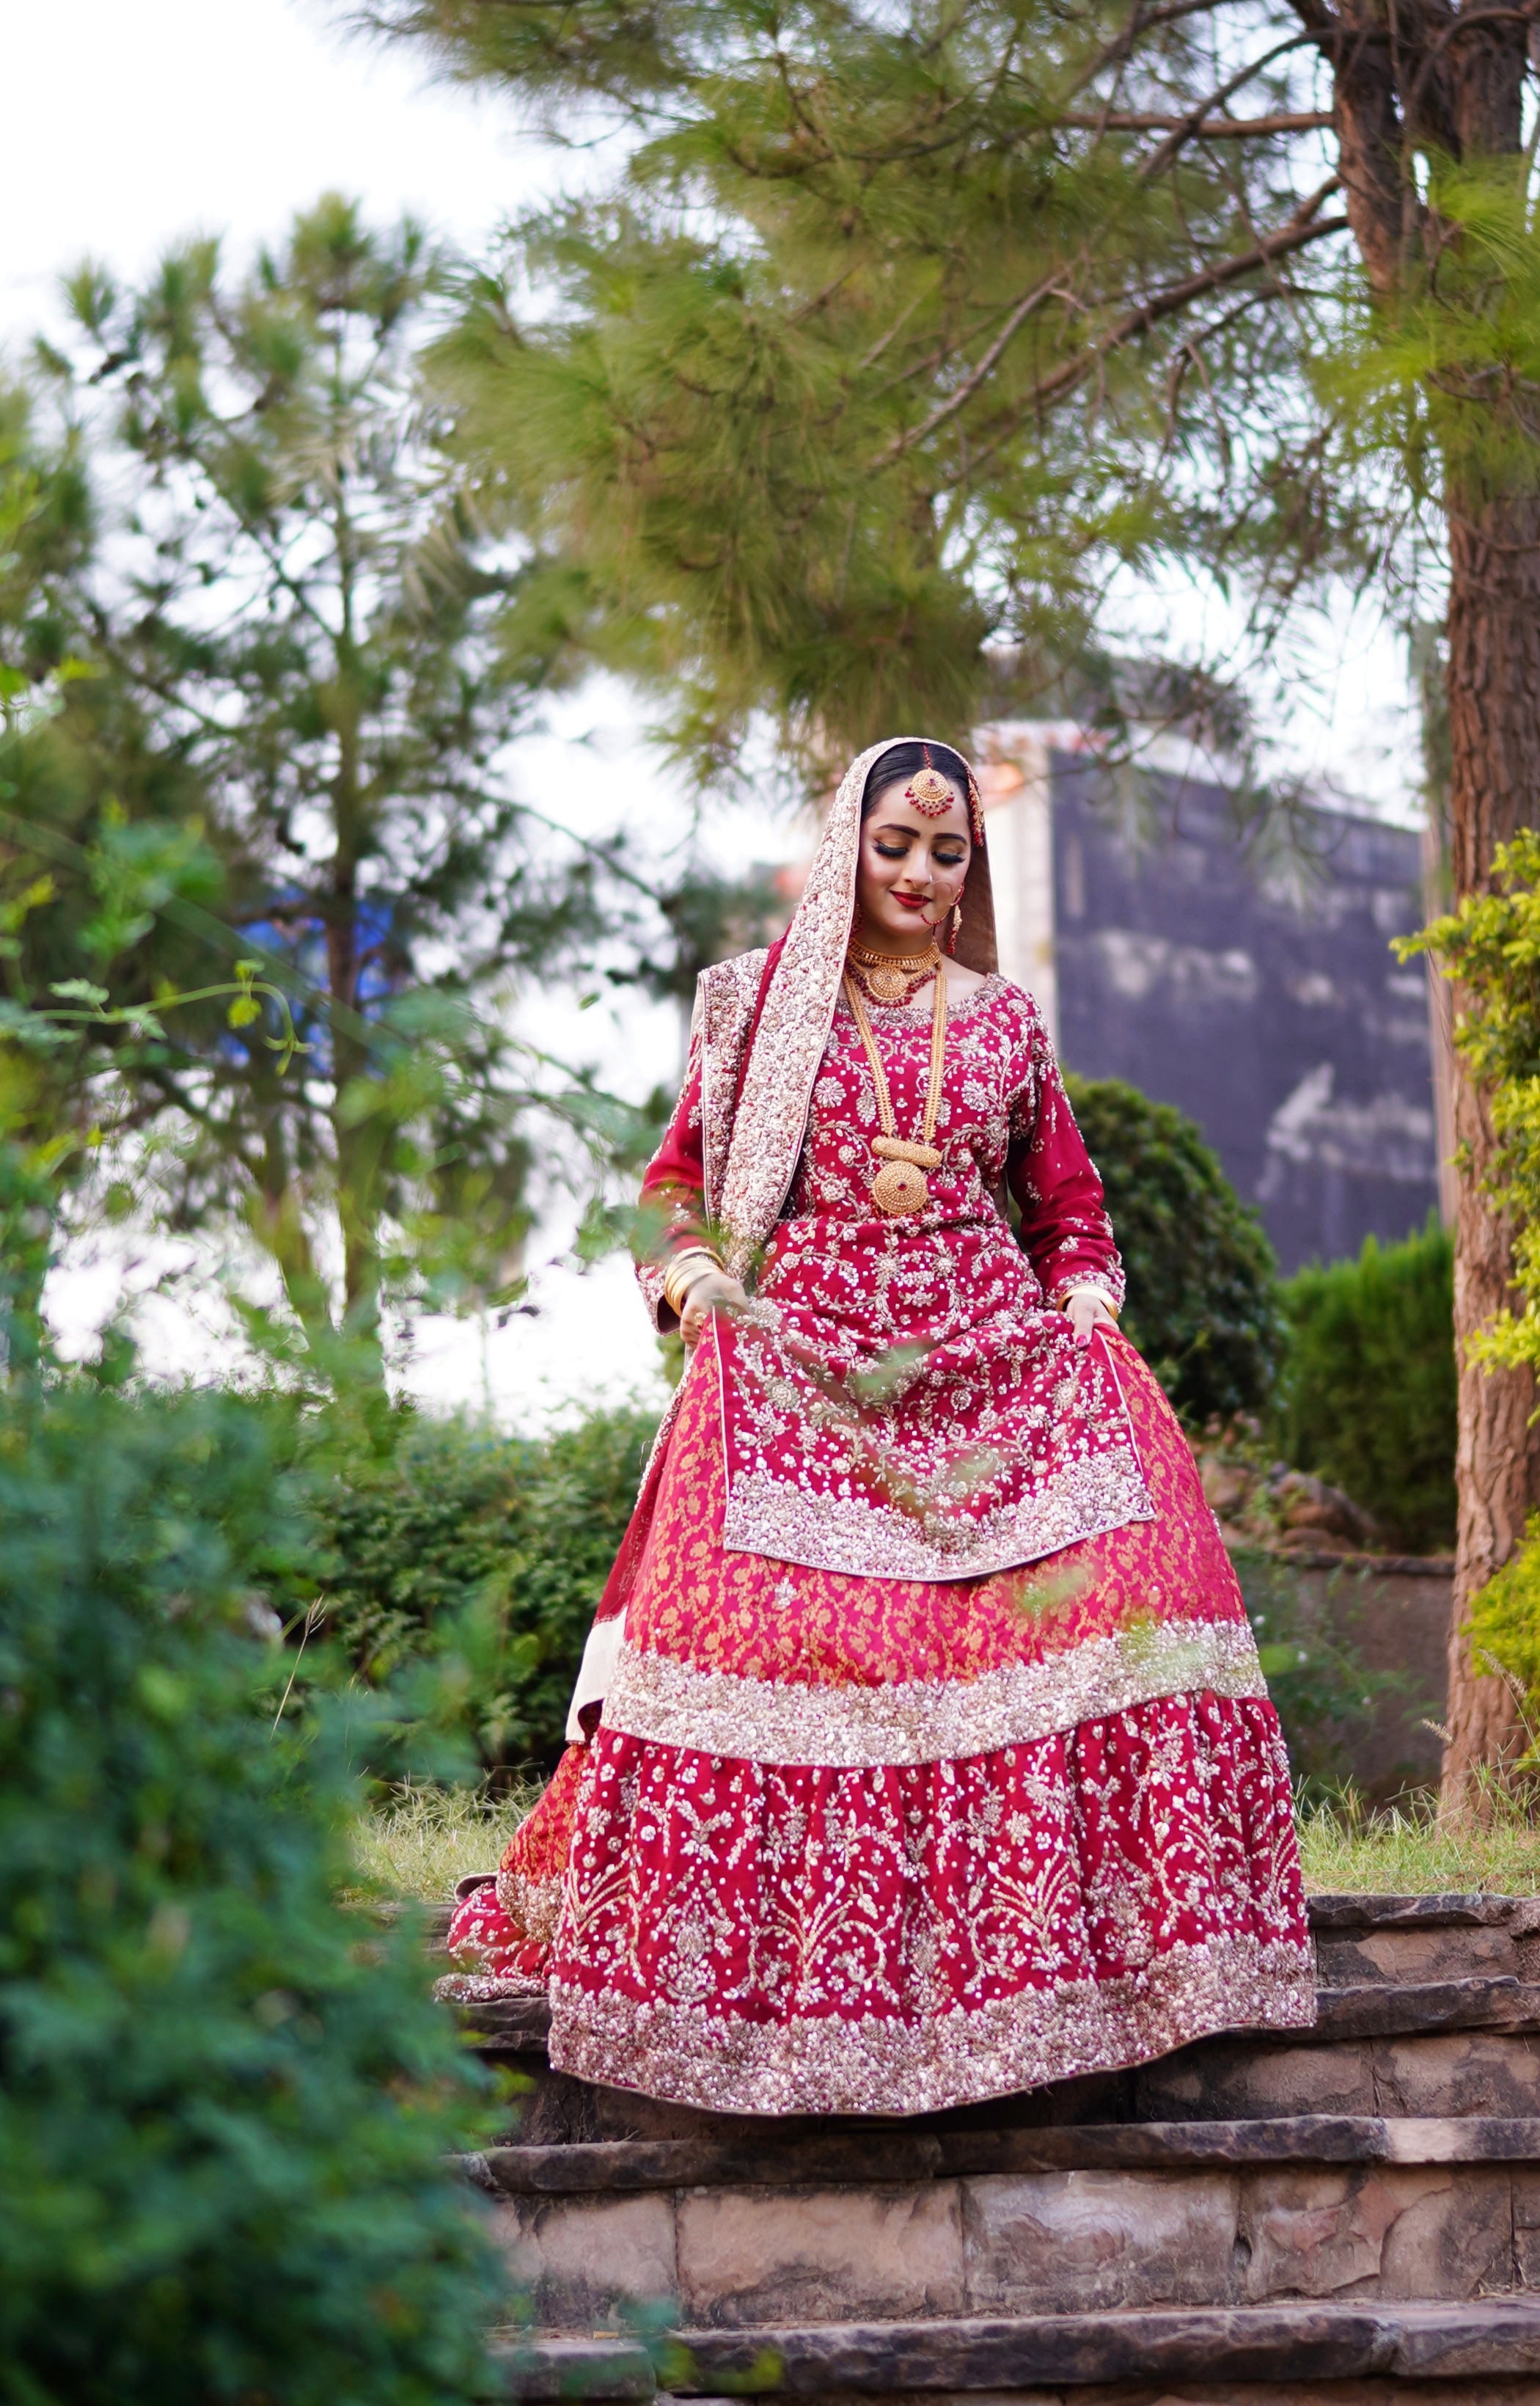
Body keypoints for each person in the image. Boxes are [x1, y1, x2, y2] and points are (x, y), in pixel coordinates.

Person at [444, 736, 1315, 2115]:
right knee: (772, 1645)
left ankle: (1132, 1964)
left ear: (972, 868)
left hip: (990, 1368)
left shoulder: (1007, 1023)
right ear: (848, 842)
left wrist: (1086, 1306)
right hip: (805, 1369)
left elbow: (1069, 1214)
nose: (917, 872)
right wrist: (701, 1279)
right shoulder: (752, 1006)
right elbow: (676, 1183)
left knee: (1134, 1574)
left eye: (947, 852)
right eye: (895, 845)